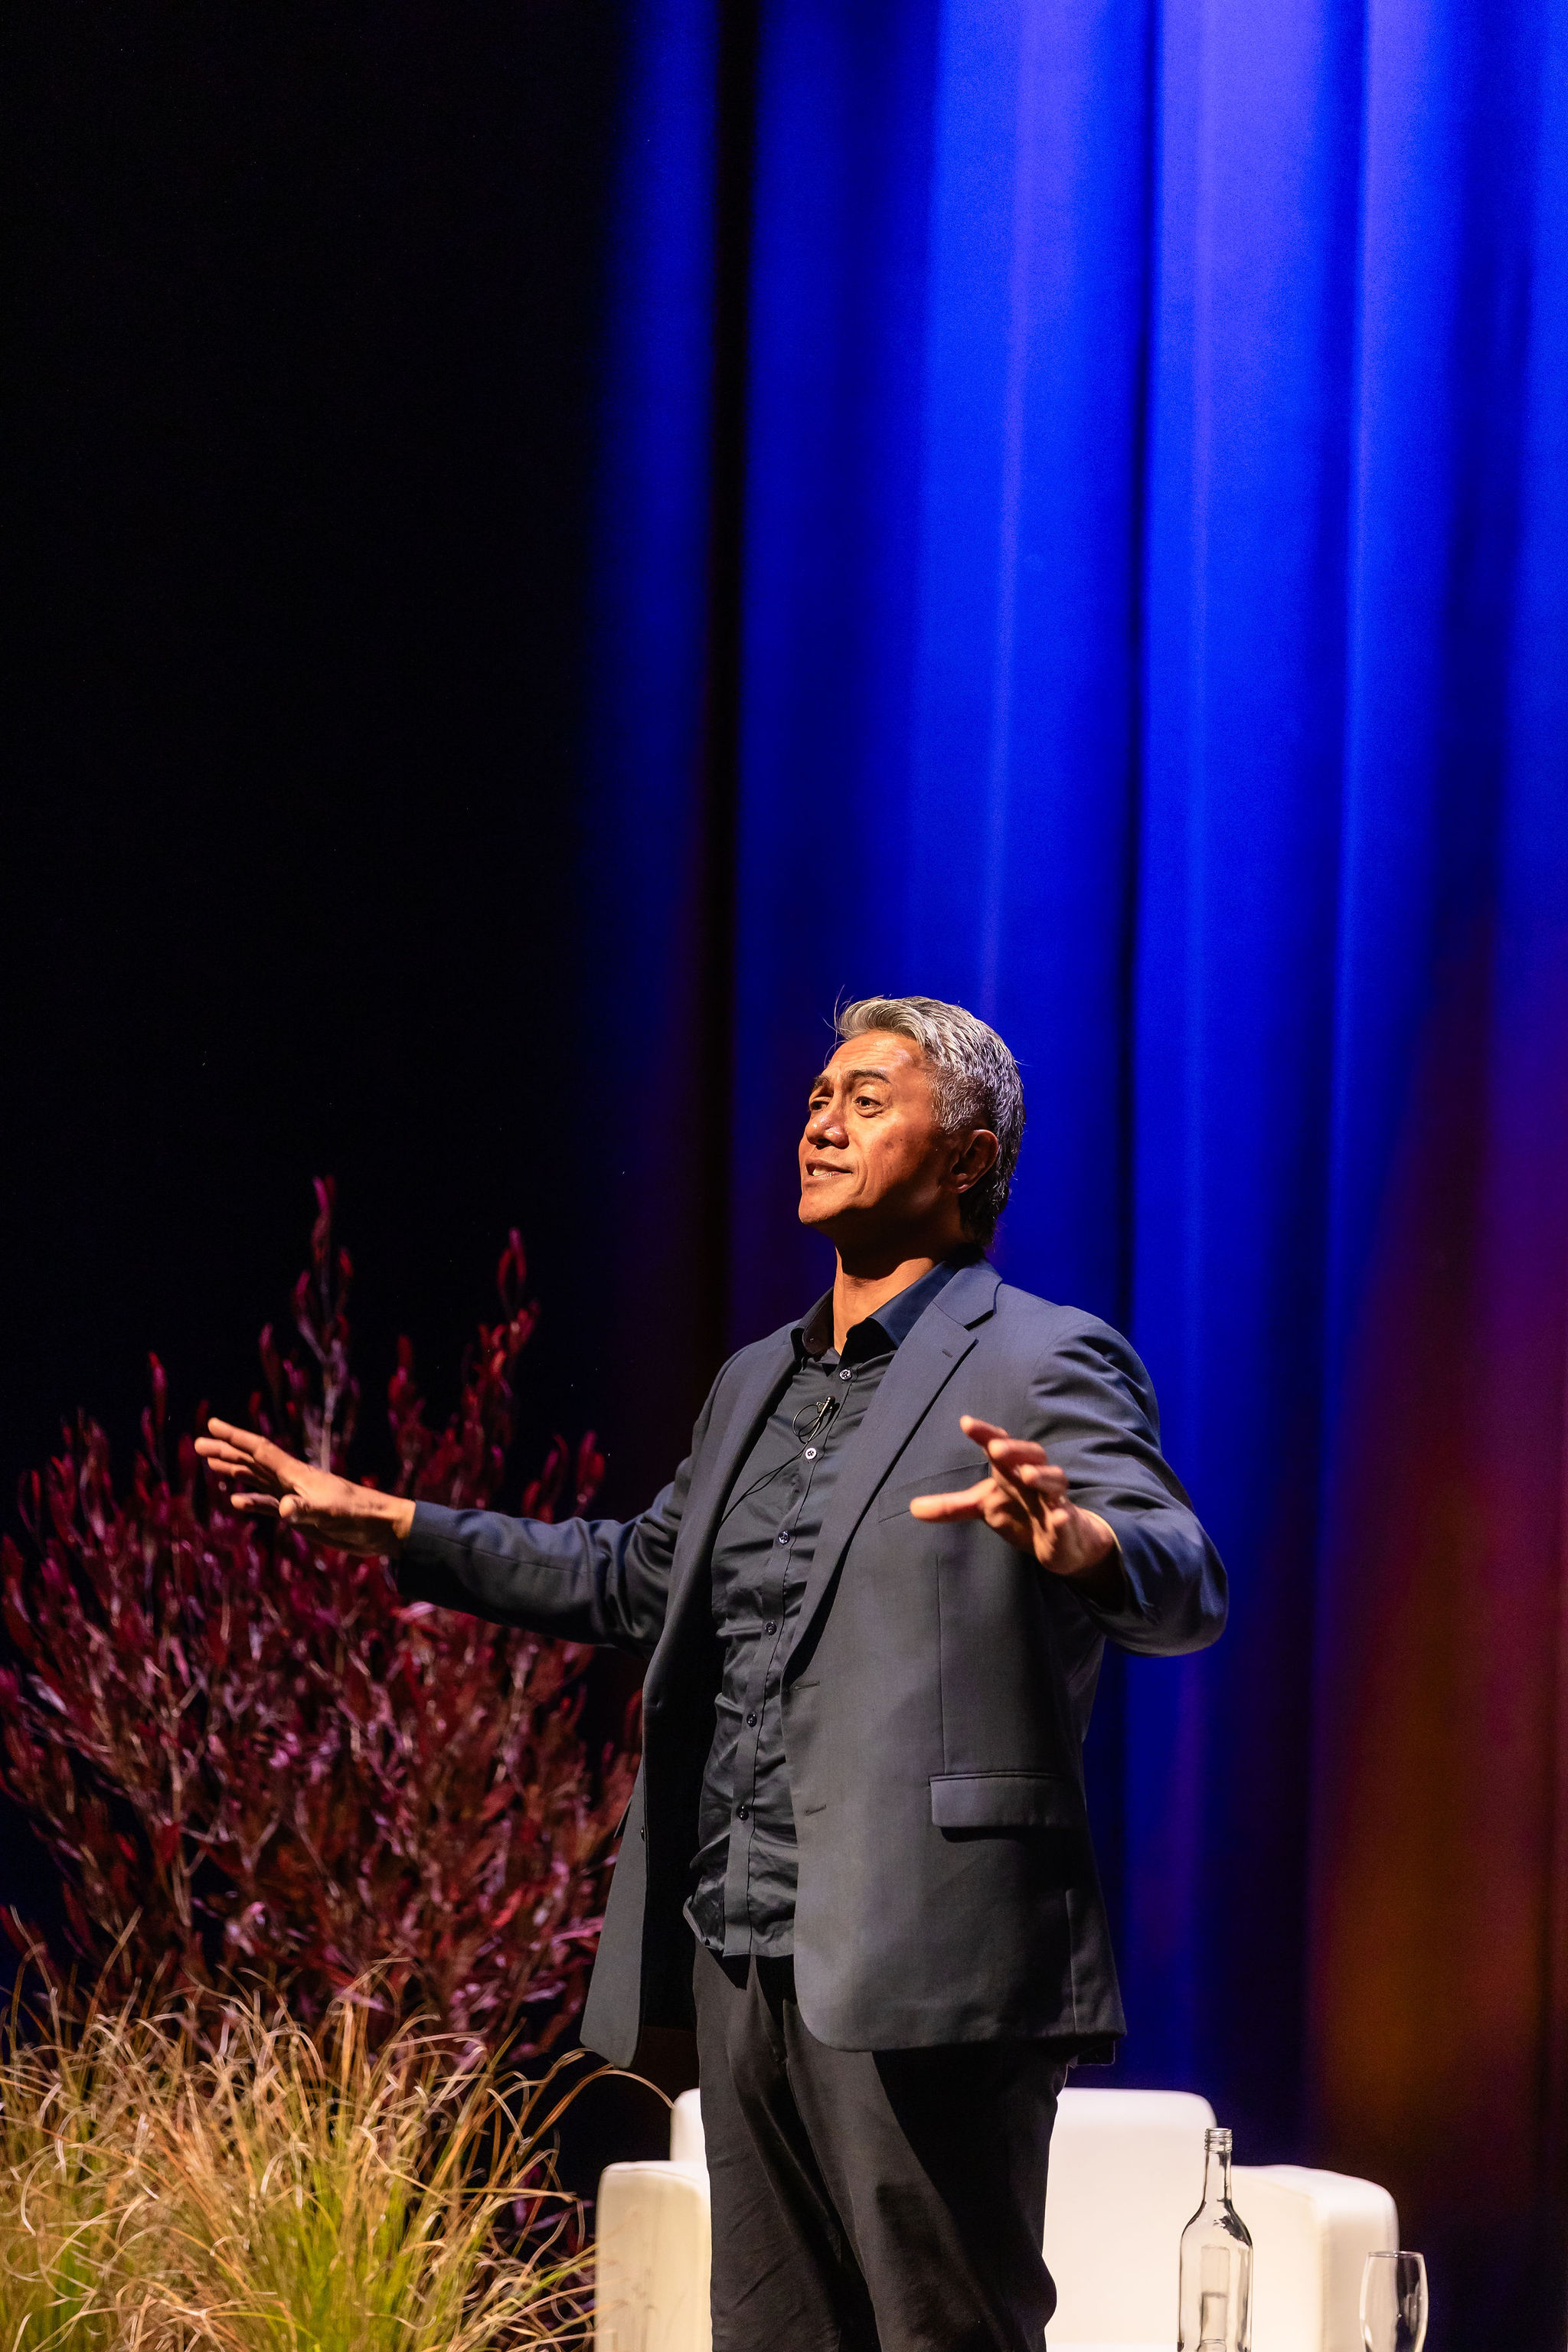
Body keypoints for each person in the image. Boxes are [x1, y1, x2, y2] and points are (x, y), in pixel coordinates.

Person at [199, 994, 1226, 2352]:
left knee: (945, 2331)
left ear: (969, 1158)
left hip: (931, 1960)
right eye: (818, 1098)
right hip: (741, 1951)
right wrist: (392, 1522)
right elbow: (633, 1576)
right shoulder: (755, 1383)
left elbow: (1186, 1579)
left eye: (869, 1100)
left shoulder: (1042, 1356)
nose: (823, 1123)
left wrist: (1082, 1540)